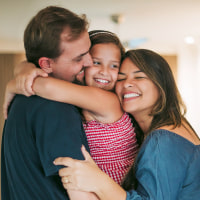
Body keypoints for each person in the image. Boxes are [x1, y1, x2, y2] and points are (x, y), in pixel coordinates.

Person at [53, 49, 200, 200]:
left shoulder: (162, 139)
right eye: (121, 79)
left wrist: (99, 181)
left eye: (139, 77)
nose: (127, 84)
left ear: (161, 85)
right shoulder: (175, 128)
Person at [3, 30, 139, 185]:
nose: (104, 72)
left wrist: (13, 85)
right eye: (97, 62)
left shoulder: (109, 101)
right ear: (83, 63)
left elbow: (47, 86)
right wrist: (24, 68)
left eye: (114, 66)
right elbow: (30, 69)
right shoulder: (78, 98)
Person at [1, 5, 98, 200]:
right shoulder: (56, 107)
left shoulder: (19, 102)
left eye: (88, 52)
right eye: (79, 58)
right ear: (46, 64)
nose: (89, 62)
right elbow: (82, 193)